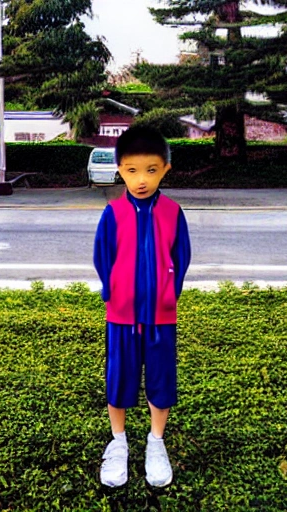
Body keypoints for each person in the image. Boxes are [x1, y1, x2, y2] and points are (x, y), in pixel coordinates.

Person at [93, 126, 191, 488]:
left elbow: (181, 257)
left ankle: (155, 441)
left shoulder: (172, 212)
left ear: (166, 168)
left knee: (162, 378)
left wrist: (170, 293)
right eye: (132, 170)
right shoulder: (113, 213)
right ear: (119, 169)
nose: (141, 179)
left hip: (161, 317)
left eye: (151, 169)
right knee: (119, 376)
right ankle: (118, 441)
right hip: (121, 315)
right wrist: (113, 291)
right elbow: (103, 257)